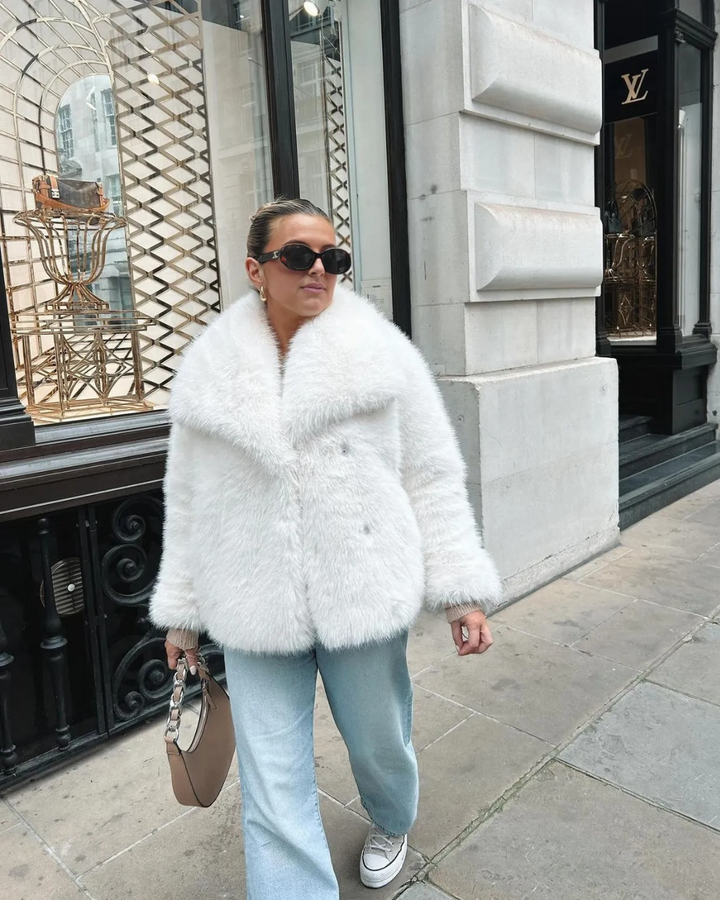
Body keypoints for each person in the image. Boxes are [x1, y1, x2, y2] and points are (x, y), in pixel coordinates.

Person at [150, 198, 501, 899]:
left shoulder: (382, 356)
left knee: (378, 740)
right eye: (298, 256)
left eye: (333, 258)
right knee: (272, 776)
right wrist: (182, 616)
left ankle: (392, 819)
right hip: (253, 599)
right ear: (256, 268)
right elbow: (189, 500)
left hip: (363, 587)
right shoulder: (210, 374)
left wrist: (461, 590)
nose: (319, 269)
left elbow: (430, 474)